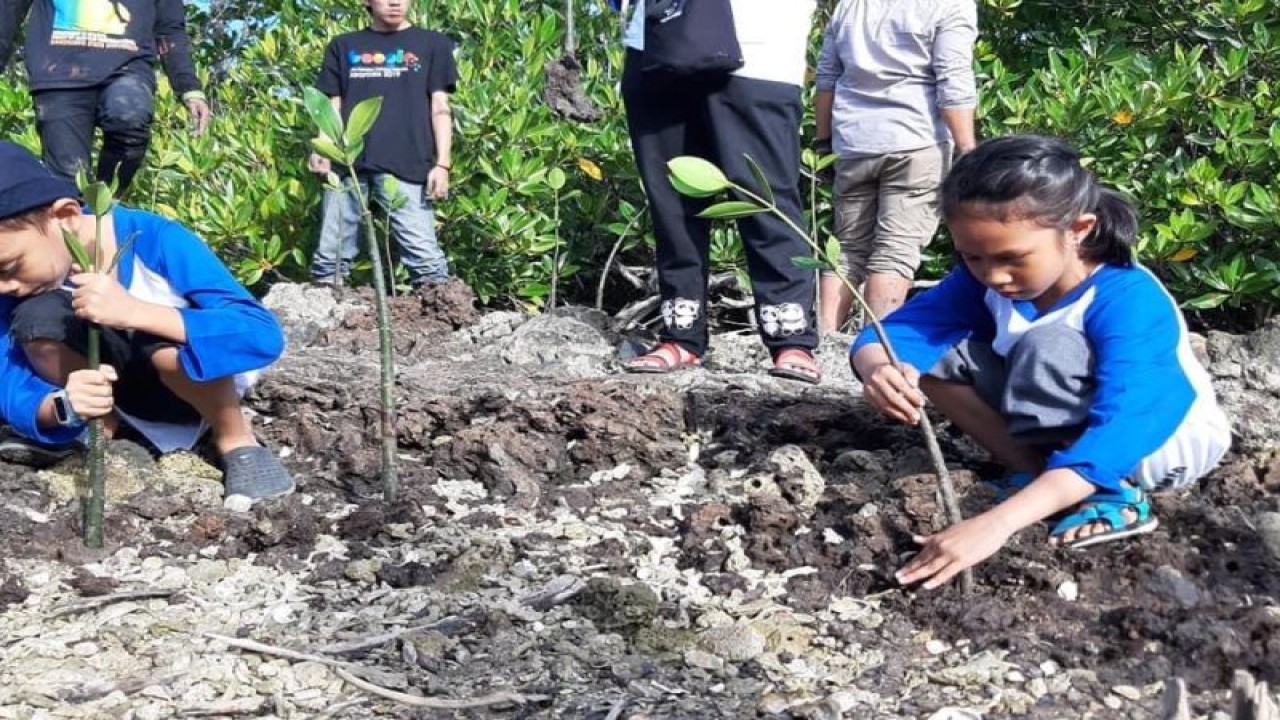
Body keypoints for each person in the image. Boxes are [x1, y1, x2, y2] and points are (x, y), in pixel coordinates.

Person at [851, 135, 1231, 589]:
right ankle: (1032, 471)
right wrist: (880, 369)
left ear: (1078, 230)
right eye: (973, 257)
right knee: (932, 356)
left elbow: (1126, 425)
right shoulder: (985, 282)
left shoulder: (1127, 299)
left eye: (1012, 258)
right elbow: (893, 334)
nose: (993, 275)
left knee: (1048, 345)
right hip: (1080, 432)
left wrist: (996, 525)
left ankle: (1114, 497)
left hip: (1155, 449)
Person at [0, 141, 293, 500]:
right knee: (37, 319)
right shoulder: (20, 289)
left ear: (65, 216)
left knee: (160, 345)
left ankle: (235, 439)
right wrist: (62, 407)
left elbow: (261, 334)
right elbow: (7, 375)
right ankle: (101, 430)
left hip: (194, 387)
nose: (5, 286)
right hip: (109, 395)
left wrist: (135, 312)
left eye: (9, 267)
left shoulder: (157, 239)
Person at [619, 0, 823, 384]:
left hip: (759, 55)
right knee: (671, 205)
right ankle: (680, 334)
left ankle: (791, 339)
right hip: (658, 47)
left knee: (764, 201)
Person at [814, 0, 978, 333]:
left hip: (853, 141)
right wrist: (968, 150)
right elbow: (953, 80)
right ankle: (877, 343)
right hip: (917, 140)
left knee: (846, 247)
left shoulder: (850, 4)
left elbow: (827, 77)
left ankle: (823, 338)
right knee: (896, 251)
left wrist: (823, 141)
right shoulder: (951, 5)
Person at [307, 0, 457, 289]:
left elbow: (440, 107)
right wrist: (323, 145)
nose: (395, 2)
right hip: (347, 163)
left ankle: (443, 310)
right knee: (330, 260)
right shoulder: (343, 45)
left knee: (427, 262)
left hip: (408, 162)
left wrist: (442, 164)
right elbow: (331, 102)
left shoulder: (433, 44)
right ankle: (325, 308)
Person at [0, 0, 212, 194]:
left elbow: (170, 27)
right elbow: (7, 12)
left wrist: (189, 88)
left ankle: (106, 201)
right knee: (67, 183)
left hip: (128, 68)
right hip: (58, 74)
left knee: (130, 121)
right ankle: (79, 214)